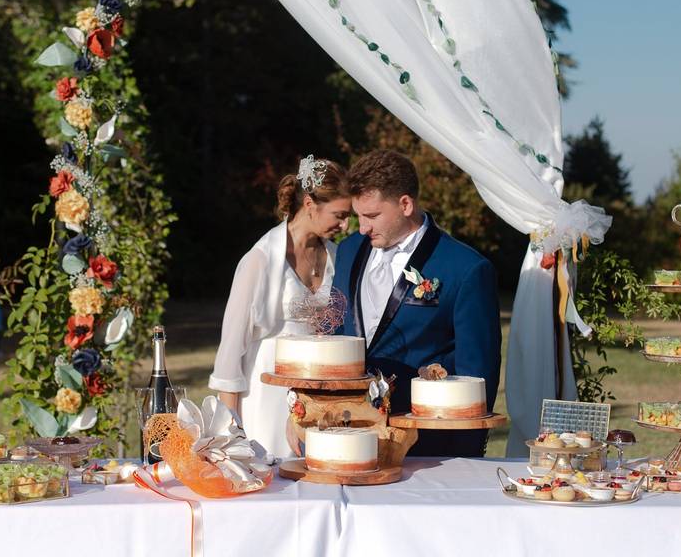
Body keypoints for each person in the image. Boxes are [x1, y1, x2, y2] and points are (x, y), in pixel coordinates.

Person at [332, 150, 501, 457]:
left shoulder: (465, 269)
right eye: (359, 216)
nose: (362, 228)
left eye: (371, 216)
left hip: (428, 444)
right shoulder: (348, 251)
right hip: (348, 434)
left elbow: (478, 374)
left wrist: (465, 456)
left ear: (405, 204)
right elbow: (335, 336)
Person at [209, 155, 351, 457]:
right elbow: (231, 351)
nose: (346, 224)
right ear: (310, 203)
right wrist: (231, 431)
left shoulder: (338, 256)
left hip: (320, 399)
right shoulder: (259, 261)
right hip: (266, 396)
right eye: (339, 215)